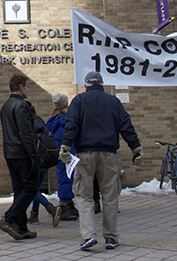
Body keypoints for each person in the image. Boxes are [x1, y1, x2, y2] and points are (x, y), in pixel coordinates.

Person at [60, 72, 143, 251]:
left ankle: (88, 236)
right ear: (102, 84)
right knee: (110, 196)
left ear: (85, 85)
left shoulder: (79, 101)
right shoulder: (113, 102)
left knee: (84, 195)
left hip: (85, 154)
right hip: (109, 153)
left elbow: (72, 124)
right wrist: (136, 148)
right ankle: (111, 237)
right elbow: (126, 125)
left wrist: (65, 146)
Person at [0, 74, 40, 240]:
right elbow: (25, 133)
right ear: (21, 86)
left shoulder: (5, 106)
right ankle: (8, 218)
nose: (28, 90)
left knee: (19, 190)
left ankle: (22, 227)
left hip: (9, 153)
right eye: (27, 86)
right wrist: (33, 156)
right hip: (22, 153)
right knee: (30, 188)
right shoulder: (21, 105)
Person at [27, 101, 61, 227]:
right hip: (46, 160)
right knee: (37, 188)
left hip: (35, 160)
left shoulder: (28, 124)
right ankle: (34, 214)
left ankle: (50, 208)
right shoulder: (40, 121)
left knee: (30, 188)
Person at [46, 93, 78, 221]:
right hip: (68, 152)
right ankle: (66, 205)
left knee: (63, 176)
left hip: (58, 152)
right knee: (68, 177)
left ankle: (67, 203)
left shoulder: (53, 120)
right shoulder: (67, 120)